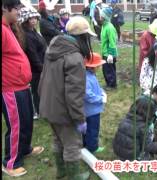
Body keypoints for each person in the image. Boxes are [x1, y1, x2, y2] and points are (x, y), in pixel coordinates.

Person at [38, 16, 96, 179]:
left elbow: (43, 79)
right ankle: (73, 176)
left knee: (58, 140)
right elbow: (74, 94)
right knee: (72, 145)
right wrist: (79, 119)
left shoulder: (53, 49)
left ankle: (61, 171)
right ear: (82, 37)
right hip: (64, 112)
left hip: (49, 107)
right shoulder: (74, 57)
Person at [2, 0, 44, 177]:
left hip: (22, 85)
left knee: (27, 120)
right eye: (17, 9)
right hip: (10, 88)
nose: (19, 12)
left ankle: (24, 148)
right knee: (17, 125)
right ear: (5, 8)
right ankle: (10, 162)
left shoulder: (9, 27)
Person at [112, 95, 157, 161]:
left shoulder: (126, 118)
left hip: (117, 150)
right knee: (146, 154)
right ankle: (139, 159)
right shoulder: (142, 127)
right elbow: (147, 146)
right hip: (130, 156)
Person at [19, 7, 47, 120]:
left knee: (42, 90)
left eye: (35, 18)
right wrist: (42, 68)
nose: (34, 20)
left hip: (42, 65)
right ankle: (38, 112)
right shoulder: (27, 35)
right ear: (26, 20)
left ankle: (43, 109)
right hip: (36, 69)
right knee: (37, 91)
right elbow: (33, 55)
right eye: (31, 18)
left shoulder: (34, 31)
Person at [83, 52, 107, 153]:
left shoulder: (91, 75)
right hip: (92, 110)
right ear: (92, 67)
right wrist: (100, 99)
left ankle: (85, 143)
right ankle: (93, 147)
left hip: (91, 109)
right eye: (98, 66)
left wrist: (102, 92)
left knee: (87, 128)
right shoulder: (87, 78)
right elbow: (88, 95)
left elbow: (97, 86)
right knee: (93, 129)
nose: (99, 67)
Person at [100, 7, 118, 90]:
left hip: (109, 54)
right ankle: (108, 83)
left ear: (105, 17)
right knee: (105, 70)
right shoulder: (104, 26)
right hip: (105, 53)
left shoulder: (110, 28)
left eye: (101, 16)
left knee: (110, 70)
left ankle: (112, 85)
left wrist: (111, 54)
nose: (100, 17)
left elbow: (112, 42)